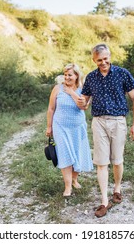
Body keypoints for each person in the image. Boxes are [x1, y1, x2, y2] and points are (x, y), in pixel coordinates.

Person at [77, 43, 134, 218]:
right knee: (101, 162)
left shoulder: (122, 73)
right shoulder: (91, 77)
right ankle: (104, 201)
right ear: (94, 60)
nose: (103, 62)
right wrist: (82, 102)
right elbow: (85, 101)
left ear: (110, 56)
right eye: (99, 60)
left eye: (106, 59)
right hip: (99, 122)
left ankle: (117, 188)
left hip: (118, 121)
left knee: (117, 160)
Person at [46, 63, 93, 197]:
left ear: (77, 76)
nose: (66, 77)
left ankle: (74, 179)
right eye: (65, 75)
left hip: (78, 127)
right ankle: (67, 186)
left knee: (78, 153)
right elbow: (51, 109)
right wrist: (49, 126)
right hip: (60, 126)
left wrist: (71, 92)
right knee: (65, 154)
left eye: (70, 75)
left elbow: (83, 106)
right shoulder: (57, 88)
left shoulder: (83, 89)